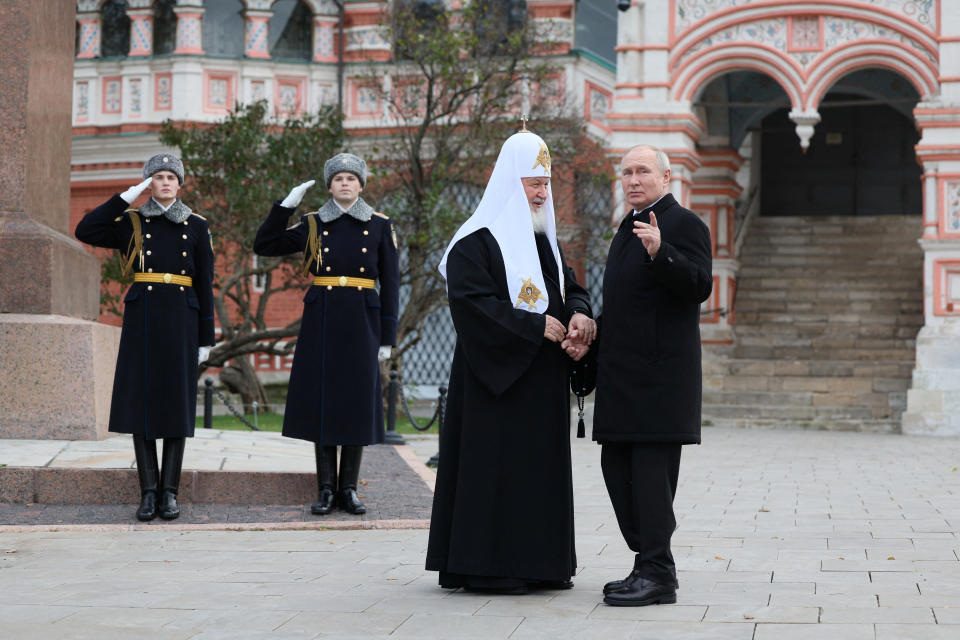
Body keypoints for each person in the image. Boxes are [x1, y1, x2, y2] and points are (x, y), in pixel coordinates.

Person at [425, 128, 595, 594]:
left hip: (542, 383)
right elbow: (472, 304)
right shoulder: (474, 242)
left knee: (538, 475)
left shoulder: (547, 240)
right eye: (532, 183)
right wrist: (532, 326)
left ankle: (542, 563)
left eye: (546, 183)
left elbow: (570, 289)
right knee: (496, 473)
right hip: (493, 383)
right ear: (508, 181)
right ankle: (489, 566)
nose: (542, 193)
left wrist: (580, 316)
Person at [585, 144, 713, 606]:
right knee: (616, 469)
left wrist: (662, 252)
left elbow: (700, 286)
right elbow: (627, 302)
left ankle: (658, 572)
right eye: (627, 173)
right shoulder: (625, 228)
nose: (634, 180)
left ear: (666, 175)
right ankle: (648, 562)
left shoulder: (684, 224)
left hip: (660, 379)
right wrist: (592, 325)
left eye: (643, 171)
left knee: (651, 477)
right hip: (621, 377)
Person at [253, 153, 399, 516]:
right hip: (323, 317)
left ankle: (348, 488)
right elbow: (265, 245)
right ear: (330, 186)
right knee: (323, 403)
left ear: (361, 185)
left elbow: (392, 283)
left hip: (363, 318)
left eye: (352, 178)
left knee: (356, 404)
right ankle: (325, 489)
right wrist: (284, 207)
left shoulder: (380, 225)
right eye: (338, 179)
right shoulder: (313, 223)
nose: (345, 183)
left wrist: (387, 337)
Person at [74, 154, 215, 522]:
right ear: (149, 183)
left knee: (175, 406)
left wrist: (205, 339)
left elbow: (205, 285)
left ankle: (170, 493)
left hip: (182, 318)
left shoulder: (197, 226)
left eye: (171, 177)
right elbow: (86, 230)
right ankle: (148, 493)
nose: (165, 182)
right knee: (141, 406)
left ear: (180, 184)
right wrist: (127, 196)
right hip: (143, 318)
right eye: (157, 177)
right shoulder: (132, 222)